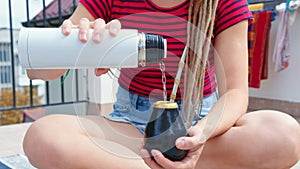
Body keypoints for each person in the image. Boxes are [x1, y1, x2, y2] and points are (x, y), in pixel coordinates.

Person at [23, 0, 300, 168]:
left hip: (199, 124)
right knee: (43, 137)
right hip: (130, 124)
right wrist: (80, 44)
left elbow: (236, 93)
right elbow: (41, 70)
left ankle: (148, 163)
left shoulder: (222, 3)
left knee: (286, 134)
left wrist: (200, 136)